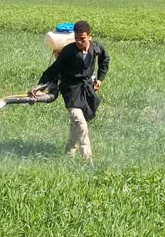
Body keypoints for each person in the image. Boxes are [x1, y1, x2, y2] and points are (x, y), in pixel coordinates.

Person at [29, 20, 110, 159]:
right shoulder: (69, 51)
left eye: (82, 38)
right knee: (80, 122)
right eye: (76, 38)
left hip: (86, 88)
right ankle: (87, 158)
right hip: (70, 89)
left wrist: (100, 79)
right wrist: (40, 86)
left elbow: (105, 60)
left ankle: (68, 154)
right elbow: (53, 69)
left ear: (89, 36)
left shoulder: (96, 48)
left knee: (75, 124)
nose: (79, 41)